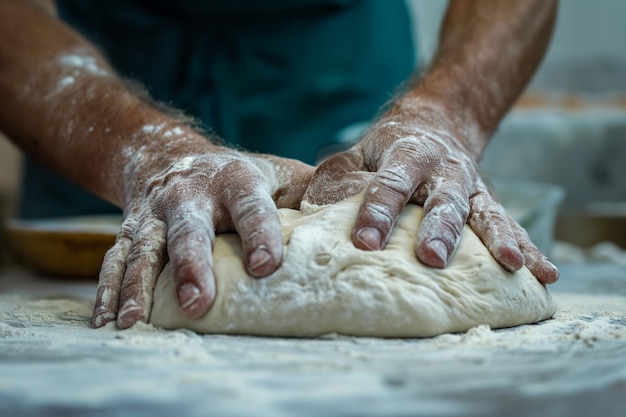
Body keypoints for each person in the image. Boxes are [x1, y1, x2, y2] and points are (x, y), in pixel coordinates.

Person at [0, 0, 560, 329]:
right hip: (96, 99)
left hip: (334, 66)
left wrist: (444, 115)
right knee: (146, 266)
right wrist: (145, 154)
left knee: (387, 217)